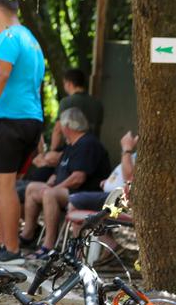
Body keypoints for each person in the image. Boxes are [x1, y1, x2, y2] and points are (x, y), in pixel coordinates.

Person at [0, 0, 46, 266]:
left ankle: (12, 248)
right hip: (26, 118)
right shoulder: (31, 40)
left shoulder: (9, 37)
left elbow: (2, 74)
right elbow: (34, 85)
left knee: (4, 186)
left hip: (7, 119)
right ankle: (1, 242)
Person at [19, 108, 111, 257]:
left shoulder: (87, 143)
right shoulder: (71, 145)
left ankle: (48, 246)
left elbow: (78, 179)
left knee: (49, 194)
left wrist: (53, 189)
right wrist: (50, 184)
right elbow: (57, 173)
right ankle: (28, 234)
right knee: (32, 188)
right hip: (65, 190)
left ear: (67, 126)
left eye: (61, 124)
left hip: (85, 193)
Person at [50, 67, 103, 150]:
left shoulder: (66, 102)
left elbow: (58, 129)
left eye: (64, 83)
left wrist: (53, 149)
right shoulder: (97, 104)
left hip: (73, 150)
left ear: (69, 84)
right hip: (93, 148)